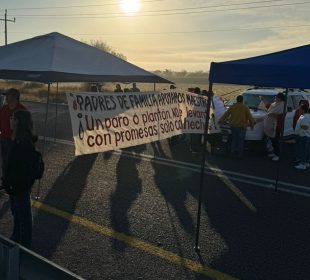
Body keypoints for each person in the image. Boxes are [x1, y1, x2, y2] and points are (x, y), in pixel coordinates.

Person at [3, 110, 37, 248]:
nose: (10, 120)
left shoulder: (23, 142)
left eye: (12, 118)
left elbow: (21, 167)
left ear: (18, 121)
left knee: (23, 216)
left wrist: (11, 182)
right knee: (16, 212)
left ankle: (25, 245)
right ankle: (17, 237)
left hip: (19, 185)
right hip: (14, 184)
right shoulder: (17, 137)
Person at [0, 88, 26, 185]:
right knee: (4, 163)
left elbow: (26, 129)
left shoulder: (22, 110)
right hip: (3, 139)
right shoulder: (4, 108)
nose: (5, 97)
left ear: (15, 97)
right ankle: (5, 182)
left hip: (16, 142)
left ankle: (14, 183)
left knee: (14, 163)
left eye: (7, 95)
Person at [263, 92, 285, 161]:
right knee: (272, 140)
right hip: (270, 125)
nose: (275, 98)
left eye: (276, 97)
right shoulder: (275, 103)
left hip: (276, 126)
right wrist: (264, 100)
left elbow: (282, 116)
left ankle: (277, 155)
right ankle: (274, 153)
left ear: (280, 98)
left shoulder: (282, 105)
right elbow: (269, 107)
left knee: (276, 141)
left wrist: (273, 114)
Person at [294, 105, 310, 170]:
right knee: (307, 149)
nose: (299, 110)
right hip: (306, 136)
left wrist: (298, 132)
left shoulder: (305, 117)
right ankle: (306, 162)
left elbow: (305, 127)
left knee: (303, 150)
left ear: (303, 110)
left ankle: (303, 164)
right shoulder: (305, 116)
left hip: (303, 136)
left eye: (300, 109)